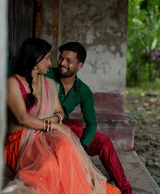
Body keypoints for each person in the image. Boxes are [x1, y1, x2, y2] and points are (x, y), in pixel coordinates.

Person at [2, 37, 121, 194]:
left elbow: (66, 114)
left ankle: (118, 188)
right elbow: (23, 118)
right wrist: (55, 124)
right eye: (50, 58)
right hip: (24, 138)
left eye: (68, 61)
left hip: (46, 133)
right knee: (50, 164)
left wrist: (60, 125)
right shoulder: (18, 81)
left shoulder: (55, 84)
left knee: (70, 145)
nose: (55, 63)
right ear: (35, 58)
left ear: (79, 66)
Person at [45, 42, 132, 194]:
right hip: (45, 126)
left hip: (66, 129)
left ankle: (125, 189)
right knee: (75, 127)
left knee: (103, 142)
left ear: (79, 66)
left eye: (68, 61)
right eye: (61, 58)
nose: (62, 63)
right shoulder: (47, 75)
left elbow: (92, 122)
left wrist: (83, 145)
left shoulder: (83, 90)